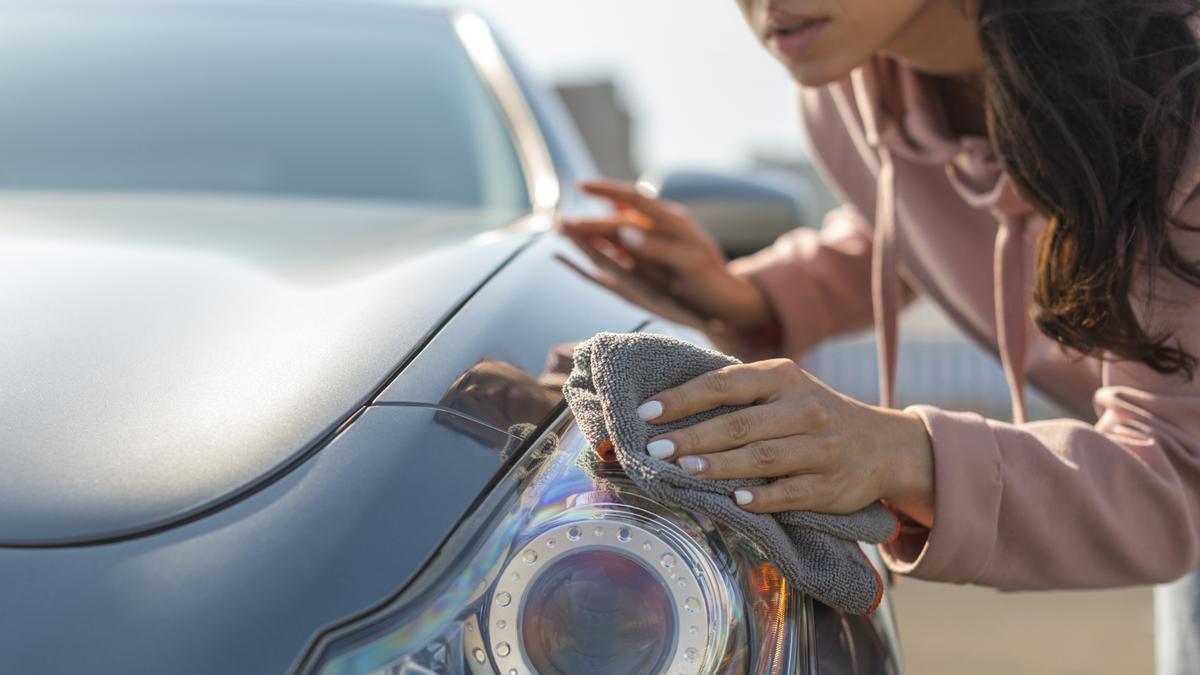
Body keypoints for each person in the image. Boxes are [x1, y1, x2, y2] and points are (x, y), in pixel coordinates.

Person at [557, 1, 1200, 672]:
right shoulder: (845, 91)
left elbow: (1179, 469)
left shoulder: (1177, 91)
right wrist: (751, 295)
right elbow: (915, 217)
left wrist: (898, 452)